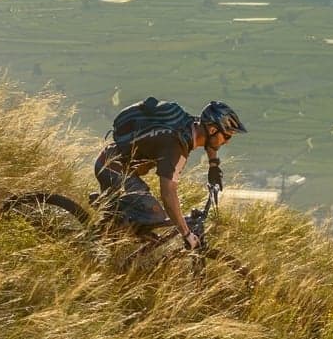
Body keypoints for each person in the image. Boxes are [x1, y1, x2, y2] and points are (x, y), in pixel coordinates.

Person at [94, 100, 246, 249]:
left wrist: (214, 165)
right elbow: (167, 194)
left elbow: (210, 142)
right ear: (213, 130)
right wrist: (186, 233)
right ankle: (105, 242)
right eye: (227, 136)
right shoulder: (175, 147)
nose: (227, 142)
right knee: (155, 215)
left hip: (115, 163)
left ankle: (114, 232)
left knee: (142, 222)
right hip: (112, 168)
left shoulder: (189, 124)